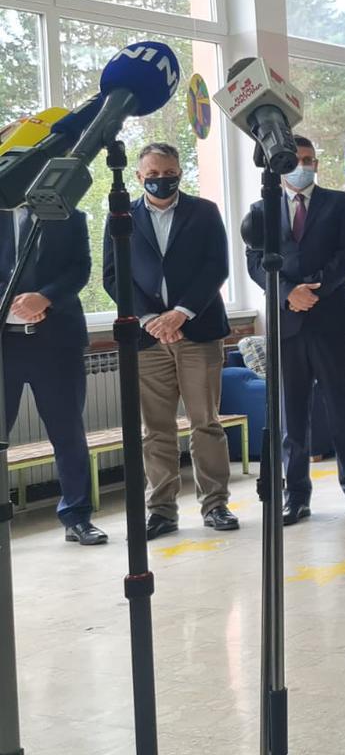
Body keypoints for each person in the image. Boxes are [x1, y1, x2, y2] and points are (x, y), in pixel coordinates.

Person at [103, 142, 238, 540]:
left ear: (179, 172)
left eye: (168, 173)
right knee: (155, 429)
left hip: (198, 331)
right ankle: (161, 511)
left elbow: (216, 267)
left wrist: (180, 313)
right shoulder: (120, 216)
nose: (161, 180)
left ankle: (215, 504)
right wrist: (151, 320)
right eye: (153, 174)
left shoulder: (204, 211)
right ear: (138, 176)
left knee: (206, 423)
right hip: (147, 339)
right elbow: (113, 275)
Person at [245, 135, 345, 525]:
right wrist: (288, 293)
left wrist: (314, 289)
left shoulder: (339, 203)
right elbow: (255, 262)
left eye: (309, 159)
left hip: (330, 320)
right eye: (297, 159)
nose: (303, 166)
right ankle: (296, 495)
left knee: (341, 408)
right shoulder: (261, 208)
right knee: (292, 415)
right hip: (287, 324)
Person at [1, 207, 105, 545]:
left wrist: (44, 298)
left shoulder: (70, 216)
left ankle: (77, 518)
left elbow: (80, 269)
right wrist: (11, 303)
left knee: (68, 434)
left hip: (58, 344)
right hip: (4, 347)